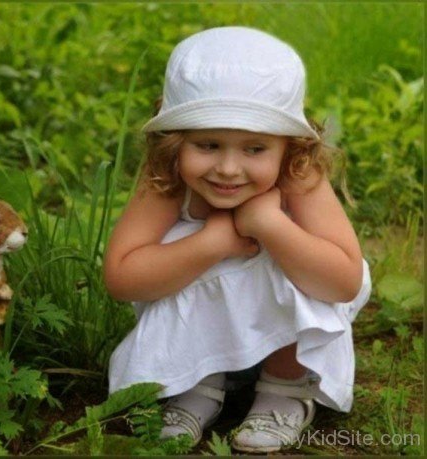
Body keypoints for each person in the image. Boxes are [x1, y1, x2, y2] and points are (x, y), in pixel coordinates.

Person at [104, 26, 371, 453]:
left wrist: (272, 226)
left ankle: (285, 387)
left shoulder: (298, 175)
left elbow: (344, 282)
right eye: (208, 144)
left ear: (289, 146)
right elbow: (121, 277)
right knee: (180, 251)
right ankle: (195, 381)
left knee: (288, 255)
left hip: (287, 330)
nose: (228, 168)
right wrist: (213, 242)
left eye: (254, 149)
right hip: (202, 326)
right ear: (175, 143)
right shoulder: (168, 180)